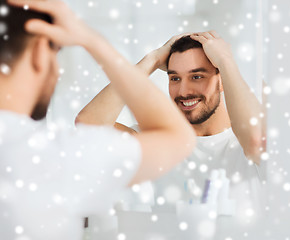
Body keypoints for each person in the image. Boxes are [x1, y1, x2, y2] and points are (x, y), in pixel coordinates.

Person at [0, 0, 196, 239]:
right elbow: (177, 138)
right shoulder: (48, 157)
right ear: (41, 51)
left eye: (197, 76)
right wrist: (91, 40)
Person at [77, 32, 267, 221]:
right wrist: (152, 60)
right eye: (175, 78)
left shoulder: (246, 141)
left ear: (222, 80)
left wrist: (226, 61)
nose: (183, 91)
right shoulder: (161, 141)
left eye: (197, 77)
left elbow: (255, 139)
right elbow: (89, 126)